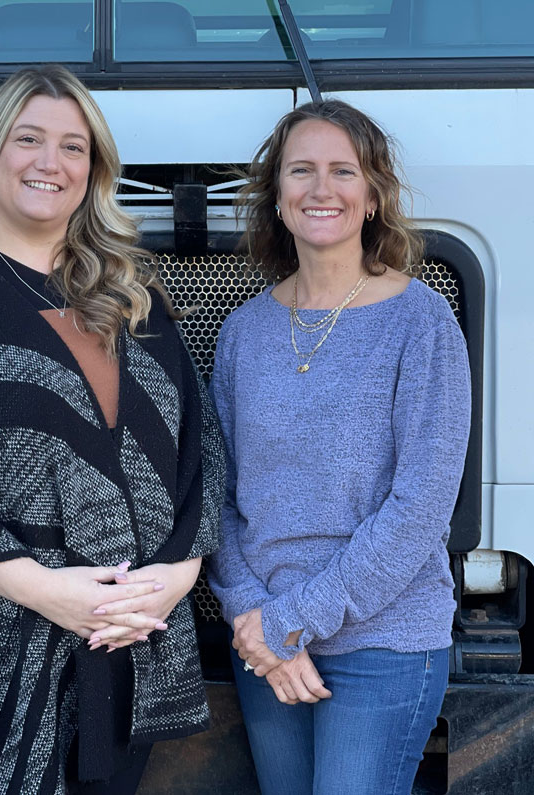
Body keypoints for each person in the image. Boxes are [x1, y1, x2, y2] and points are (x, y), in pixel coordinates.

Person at [0, 64, 225, 794]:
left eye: (73, 148)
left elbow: (202, 451)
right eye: (28, 139)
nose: (49, 163)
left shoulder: (132, 296)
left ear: (94, 172)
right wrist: (49, 592)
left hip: (124, 643)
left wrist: (173, 580)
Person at [208, 99, 471, 795]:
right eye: (301, 171)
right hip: (264, 640)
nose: (321, 190)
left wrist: (292, 620)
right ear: (277, 196)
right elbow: (220, 494)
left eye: (342, 171)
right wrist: (250, 618)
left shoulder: (423, 322)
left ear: (373, 194)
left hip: (381, 644)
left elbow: (420, 506)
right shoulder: (242, 333)